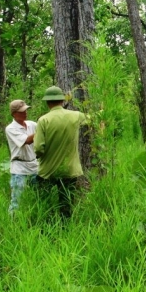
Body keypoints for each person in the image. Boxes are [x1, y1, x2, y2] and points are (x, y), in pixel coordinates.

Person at [33, 86, 88, 218]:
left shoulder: (43, 120)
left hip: (48, 171)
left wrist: (40, 156)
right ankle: (65, 229)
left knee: (44, 203)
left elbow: (38, 148)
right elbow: (92, 119)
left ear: (47, 102)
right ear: (62, 101)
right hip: (70, 170)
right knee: (66, 203)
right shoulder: (76, 116)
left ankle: (46, 227)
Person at [5, 99, 38, 214]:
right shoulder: (10, 128)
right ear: (14, 114)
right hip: (19, 168)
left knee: (37, 196)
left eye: (26, 110)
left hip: (34, 166)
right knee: (17, 199)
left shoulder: (32, 124)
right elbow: (27, 141)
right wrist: (43, 129)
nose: (25, 113)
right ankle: (13, 221)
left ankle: (33, 216)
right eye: (22, 111)